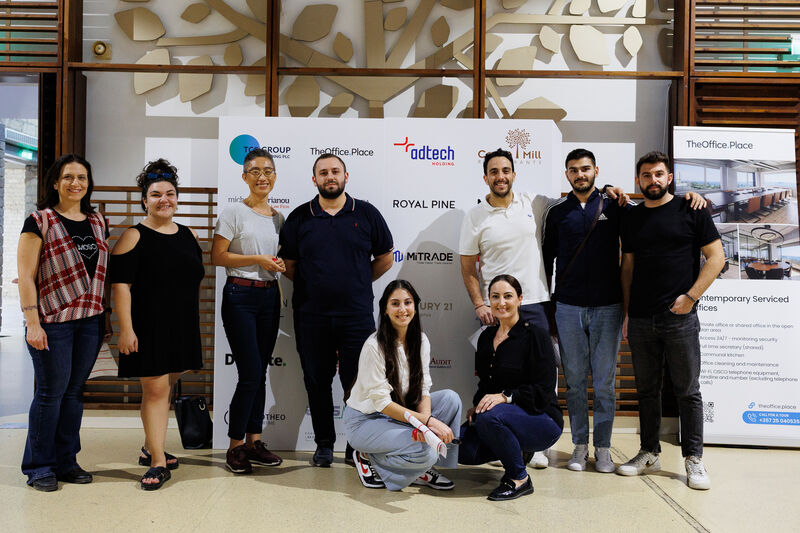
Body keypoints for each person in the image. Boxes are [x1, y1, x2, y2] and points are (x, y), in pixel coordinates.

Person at [459, 148, 627, 468]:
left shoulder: (535, 203)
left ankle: (539, 444)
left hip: (536, 301)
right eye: (494, 172)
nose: (500, 177)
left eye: (505, 170)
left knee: (544, 377)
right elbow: (467, 267)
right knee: (499, 375)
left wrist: (608, 189)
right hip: (497, 306)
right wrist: (480, 303)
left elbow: (583, 194)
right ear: (485, 177)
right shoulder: (475, 216)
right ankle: (507, 438)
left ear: (514, 174)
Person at [542, 149, 707, 473]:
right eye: (573, 169)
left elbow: (654, 212)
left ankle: (603, 448)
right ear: (567, 174)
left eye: (585, 168)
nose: (580, 174)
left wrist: (693, 196)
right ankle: (579, 447)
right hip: (568, 307)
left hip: (609, 306)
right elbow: (546, 262)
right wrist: (550, 305)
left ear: (596, 170)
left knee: (605, 384)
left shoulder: (617, 207)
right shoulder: (557, 212)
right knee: (574, 383)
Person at [279, 153, 394, 467]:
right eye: (323, 172)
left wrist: (357, 281)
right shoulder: (299, 218)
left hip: (355, 315)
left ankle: (356, 445)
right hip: (311, 316)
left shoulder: (367, 213)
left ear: (345, 176)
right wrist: (314, 285)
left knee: (357, 384)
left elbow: (385, 258)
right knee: (316, 381)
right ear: (314, 179)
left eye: (335, 171)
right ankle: (324, 444)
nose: (330, 177)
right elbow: (289, 265)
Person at [618, 151, 724, 490]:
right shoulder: (633, 217)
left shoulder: (692, 209)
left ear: (670, 177)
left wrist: (690, 297)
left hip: (680, 318)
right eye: (646, 175)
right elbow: (628, 267)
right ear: (639, 180)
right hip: (640, 318)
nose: (653, 180)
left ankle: (694, 459)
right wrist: (627, 312)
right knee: (647, 391)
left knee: (688, 391)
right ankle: (649, 452)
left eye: (659, 174)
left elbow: (716, 258)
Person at [17, 154, 111, 491]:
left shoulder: (98, 221)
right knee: (50, 393)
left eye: (82, 177)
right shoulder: (39, 220)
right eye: (68, 177)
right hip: (52, 321)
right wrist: (33, 323)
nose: (76, 183)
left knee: (73, 394)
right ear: (55, 183)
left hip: (90, 320)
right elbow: (25, 276)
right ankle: (39, 466)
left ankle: (66, 461)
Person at [111, 159, 204, 490]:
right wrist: (126, 329)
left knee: (165, 390)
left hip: (182, 326)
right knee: (155, 391)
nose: (164, 199)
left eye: (170, 193)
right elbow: (120, 286)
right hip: (147, 327)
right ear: (144, 200)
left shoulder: (189, 234)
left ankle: (150, 445)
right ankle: (158, 462)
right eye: (156, 194)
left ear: (176, 198)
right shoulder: (133, 236)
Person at [344, 280, 461, 491]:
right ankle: (367, 456)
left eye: (407, 302)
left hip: (399, 413)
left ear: (415, 306)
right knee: (426, 451)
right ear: (385, 310)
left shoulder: (421, 340)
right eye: (395, 303)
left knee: (451, 399)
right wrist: (428, 422)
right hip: (366, 421)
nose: (402, 309)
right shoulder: (374, 346)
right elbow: (382, 404)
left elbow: (423, 389)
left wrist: (425, 426)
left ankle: (422, 468)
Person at [458, 275, 563, 501]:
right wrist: (477, 407)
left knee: (490, 417)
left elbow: (545, 389)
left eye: (508, 296)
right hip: (502, 414)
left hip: (542, 418)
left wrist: (506, 397)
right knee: (462, 449)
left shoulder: (536, 335)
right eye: (495, 297)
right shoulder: (486, 338)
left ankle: (519, 478)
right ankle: (518, 451)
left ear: (519, 299)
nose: (501, 302)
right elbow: (485, 384)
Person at [212, 148, 285, 474]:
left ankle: (254, 442)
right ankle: (235, 446)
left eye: (267, 171)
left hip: (269, 297)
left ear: (275, 176)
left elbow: (276, 259)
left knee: (260, 372)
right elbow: (218, 256)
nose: (262, 177)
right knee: (251, 374)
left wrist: (277, 264)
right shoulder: (233, 212)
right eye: (255, 171)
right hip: (240, 296)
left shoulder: (279, 218)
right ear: (244, 176)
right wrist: (257, 260)